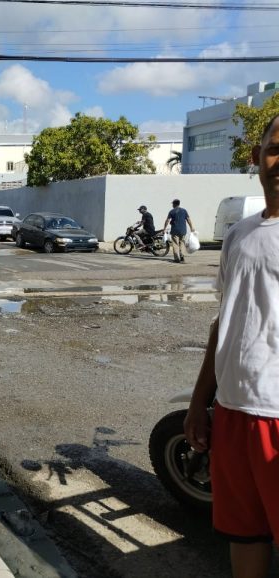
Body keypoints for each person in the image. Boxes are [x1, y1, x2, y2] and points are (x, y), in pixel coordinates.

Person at [184, 113, 279, 578]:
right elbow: (225, 322)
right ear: (256, 156)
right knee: (246, 536)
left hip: (278, 417)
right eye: (276, 147)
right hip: (234, 413)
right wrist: (200, 402)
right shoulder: (239, 235)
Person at [163, 199, 195, 263]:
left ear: (174, 204)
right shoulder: (184, 211)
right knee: (182, 243)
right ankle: (182, 256)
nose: (172, 205)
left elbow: (167, 220)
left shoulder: (172, 211)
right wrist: (192, 227)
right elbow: (188, 219)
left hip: (175, 230)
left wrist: (164, 228)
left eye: (172, 204)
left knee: (175, 244)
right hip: (183, 230)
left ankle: (177, 258)